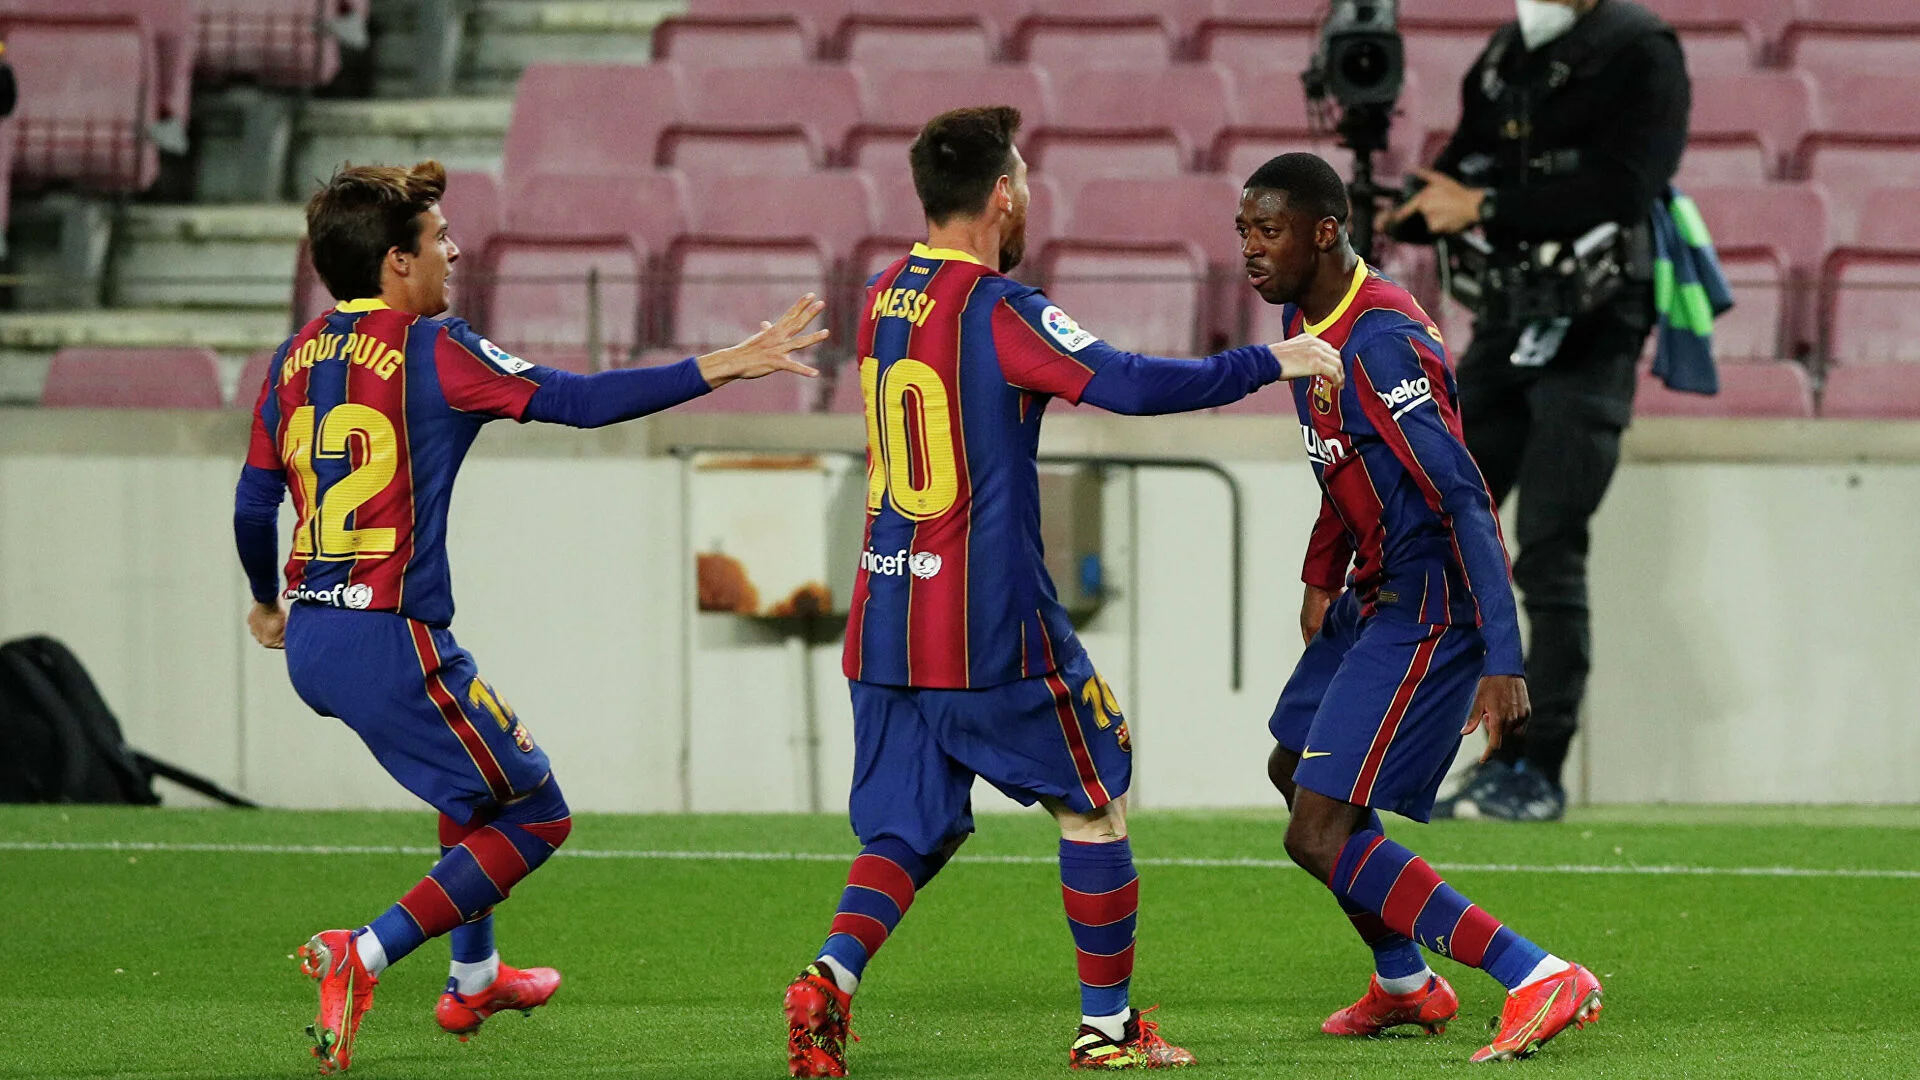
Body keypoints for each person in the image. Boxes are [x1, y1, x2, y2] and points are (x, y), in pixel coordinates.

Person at [781, 108, 1344, 1077]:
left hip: (885, 615)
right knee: (1094, 798)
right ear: (1002, 193)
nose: (1032, 199)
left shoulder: (881, 297)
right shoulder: (1000, 309)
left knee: (908, 827)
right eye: (1028, 182)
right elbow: (1130, 384)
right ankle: (1108, 1031)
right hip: (986, 621)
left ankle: (829, 977)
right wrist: (1271, 360)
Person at [232, 160, 826, 1074]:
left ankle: (474, 979)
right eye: (439, 238)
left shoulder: (292, 357)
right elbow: (579, 402)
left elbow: (251, 502)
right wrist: (724, 364)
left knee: (470, 794)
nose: (456, 250)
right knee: (539, 814)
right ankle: (366, 952)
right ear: (397, 262)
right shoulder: (436, 348)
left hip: (316, 633)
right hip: (390, 637)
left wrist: (267, 600)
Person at [1241, 152, 1602, 1063]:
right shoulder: (1303, 320)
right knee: (1292, 767)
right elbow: (1341, 461)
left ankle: (1535, 973)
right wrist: (1320, 574)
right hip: (1371, 589)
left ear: (1325, 231)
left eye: (1268, 230)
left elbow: (1464, 496)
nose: (1250, 248)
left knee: (1316, 830)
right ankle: (1405, 984)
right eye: (1244, 230)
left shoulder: (1382, 342)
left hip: (1428, 600)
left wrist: (1503, 656)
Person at [1387, 0, 1690, 820]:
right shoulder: (1506, 52)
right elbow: (1465, 162)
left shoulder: (1641, 49)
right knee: (1439, 522)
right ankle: (1438, 748)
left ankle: (1534, 767)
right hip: (1508, 319)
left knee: (1549, 547)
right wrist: (1405, 206)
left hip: (1594, 323)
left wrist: (1485, 209)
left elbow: (1628, 185)